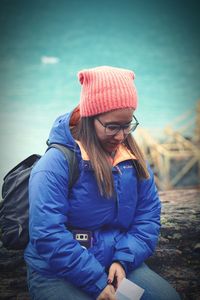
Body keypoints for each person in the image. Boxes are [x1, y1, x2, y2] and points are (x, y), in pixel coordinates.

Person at [24, 66, 181, 300]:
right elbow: (47, 233)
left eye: (127, 125)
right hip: (56, 272)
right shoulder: (55, 163)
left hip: (116, 266)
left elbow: (147, 216)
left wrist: (123, 260)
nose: (121, 136)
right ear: (89, 118)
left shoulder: (131, 159)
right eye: (112, 127)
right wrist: (96, 283)